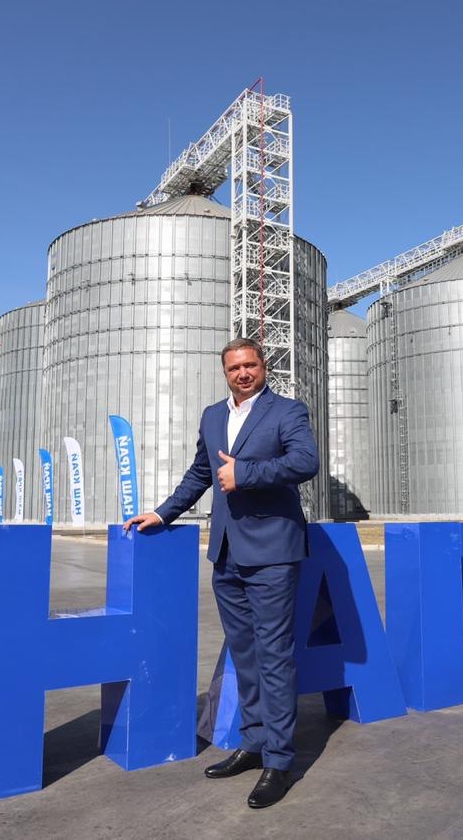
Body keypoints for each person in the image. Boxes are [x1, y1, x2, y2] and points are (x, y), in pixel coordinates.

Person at [125, 337, 319, 809]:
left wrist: (245, 474)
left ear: (264, 366)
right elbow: (201, 473)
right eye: (234, 368)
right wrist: (163, 513)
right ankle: (253, 744)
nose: (243, 374)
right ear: (225, 372)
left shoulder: (287, 411)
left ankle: (279, 761)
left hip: (272, 553)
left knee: (274, 657)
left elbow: (305, 462)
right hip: (227, 554)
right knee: (245, 656)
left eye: (250, 365)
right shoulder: (213, 416)